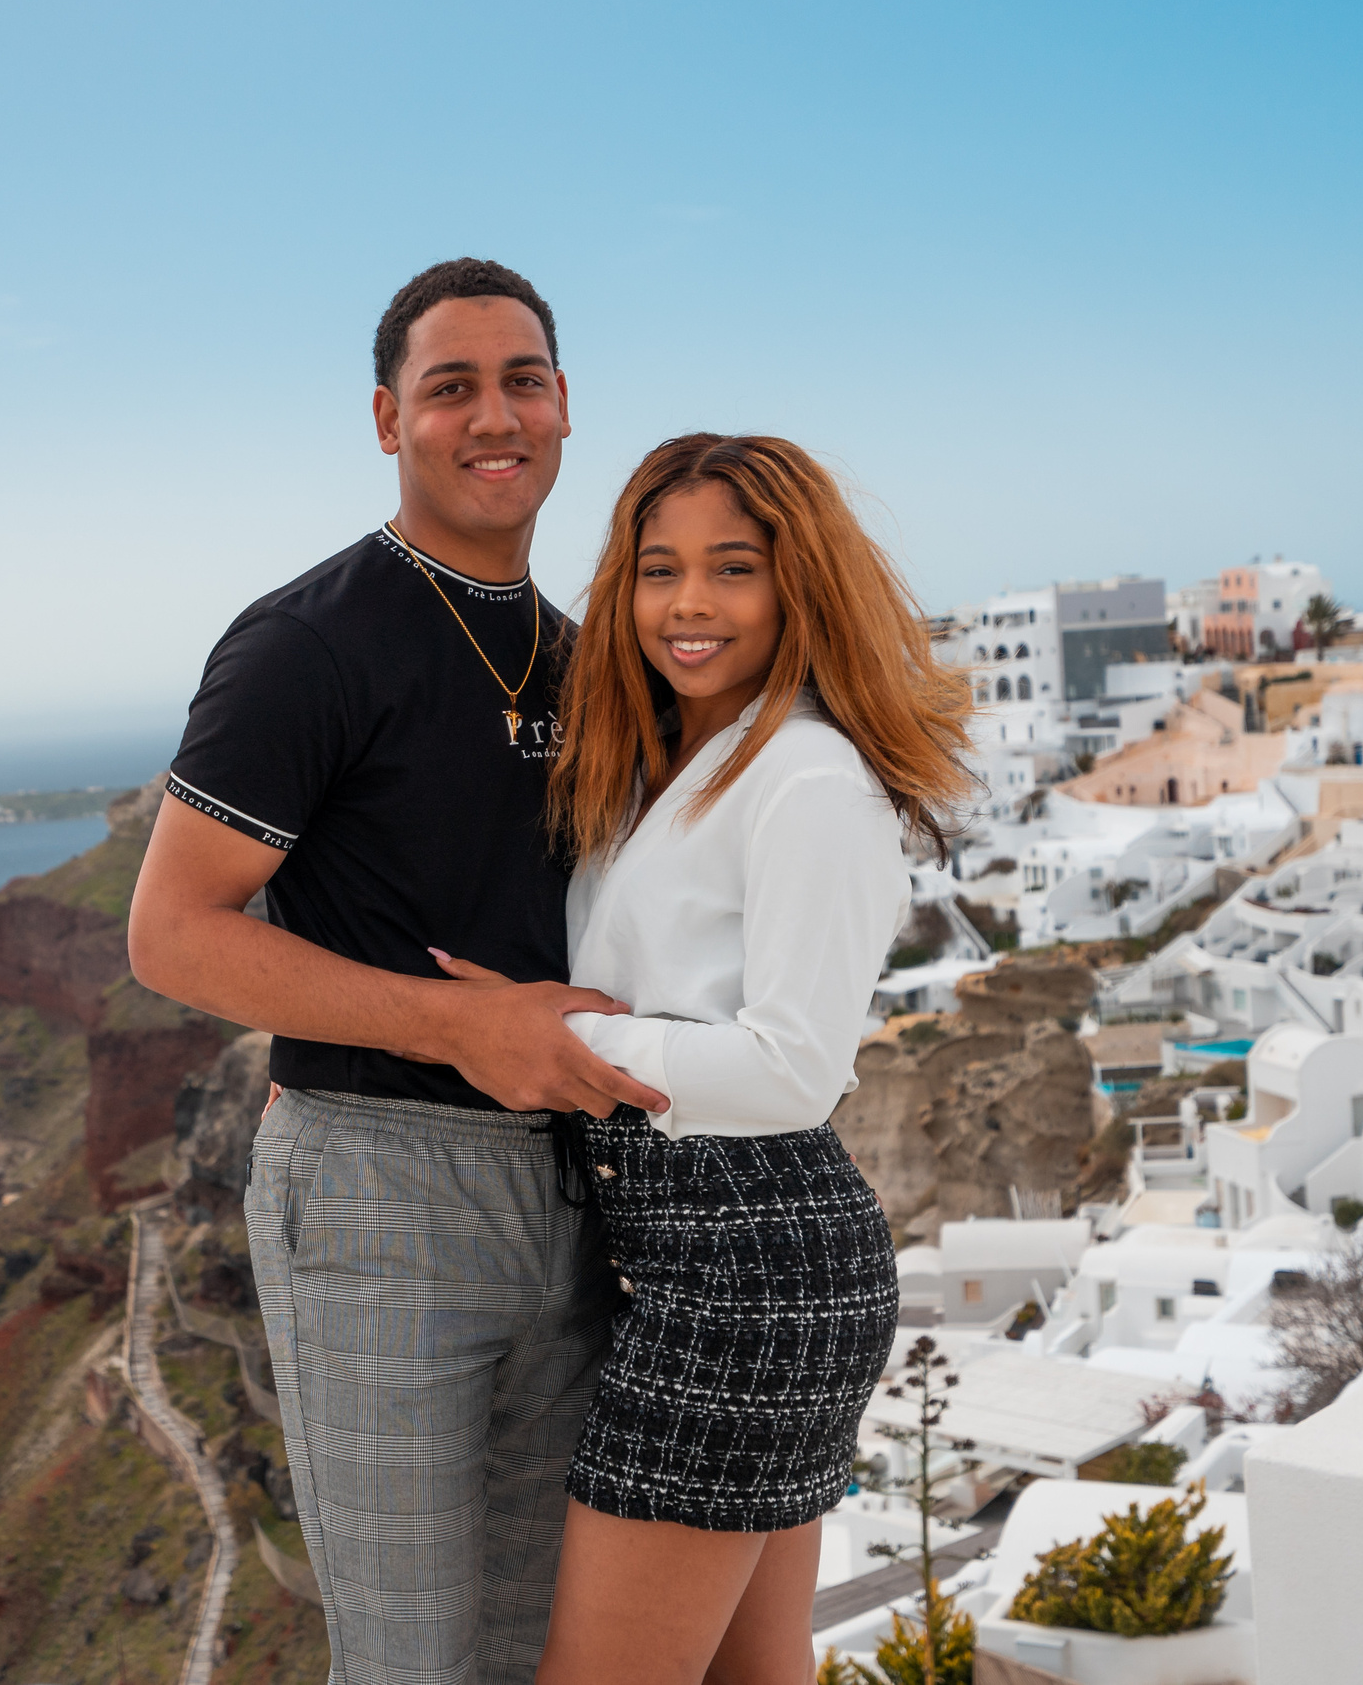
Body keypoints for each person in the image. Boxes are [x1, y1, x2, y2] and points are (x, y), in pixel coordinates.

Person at [127, 258, 664, 1685]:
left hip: (574, 1185)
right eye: (451, 386)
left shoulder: (581, 656)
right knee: (414, 1658)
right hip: (376, 1187)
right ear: (389, 419)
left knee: (536, 1646)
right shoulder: (309, 640)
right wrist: (456, 1027)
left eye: (522, 380)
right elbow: (171, 931)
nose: (494, 415)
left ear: (564, 408)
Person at [434, 434, 973, 1684]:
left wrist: (546, 1036)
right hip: (703, 1264)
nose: (688, 605)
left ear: (798, 586)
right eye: (657, 569)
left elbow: (794, 1068)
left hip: (751, 1280)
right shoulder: (668, 773)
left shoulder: (807, 780)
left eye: (733, 568)